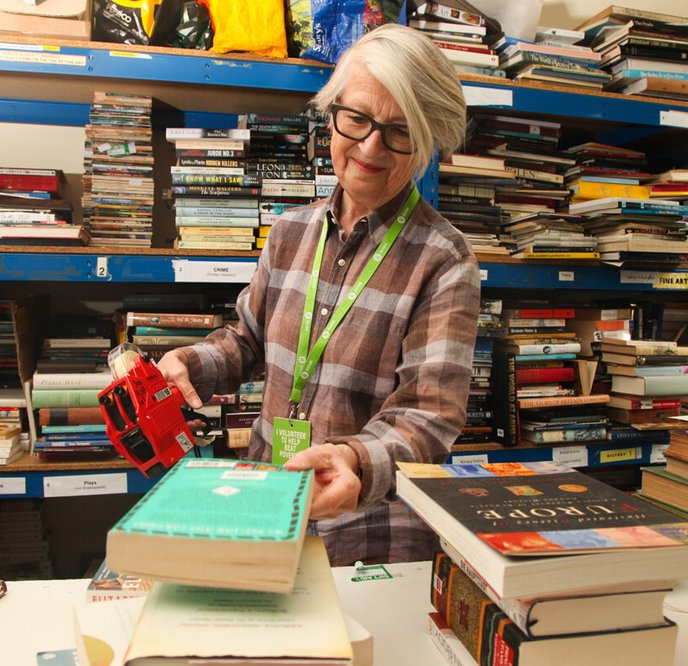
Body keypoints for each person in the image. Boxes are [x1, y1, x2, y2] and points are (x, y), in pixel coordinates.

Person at [158, 23, 479, 566]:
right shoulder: (287, 233)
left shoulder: (444, 260)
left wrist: (354, 462)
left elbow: (428, 417)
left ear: (427, 141)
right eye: (357, 118)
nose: (370, 146)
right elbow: (247, 341)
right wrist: (191, 362)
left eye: (400, 131)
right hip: (267, 505)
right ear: (332, 113)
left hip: (370, 533)